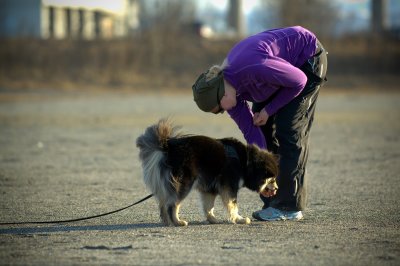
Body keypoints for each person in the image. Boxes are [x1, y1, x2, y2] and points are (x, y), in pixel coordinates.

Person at [192, 26, 328, 221]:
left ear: (220, 93)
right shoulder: (231, 95)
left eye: (219, 109)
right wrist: (264, 176)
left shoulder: (252, 68)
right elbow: (252, 133)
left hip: (307, 59)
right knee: (263, 129)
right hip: (277, 72)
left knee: (287, 130)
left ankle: (289, 206)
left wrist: (268, 110)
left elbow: (299, 80)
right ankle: (273, 201)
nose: (223, 112)